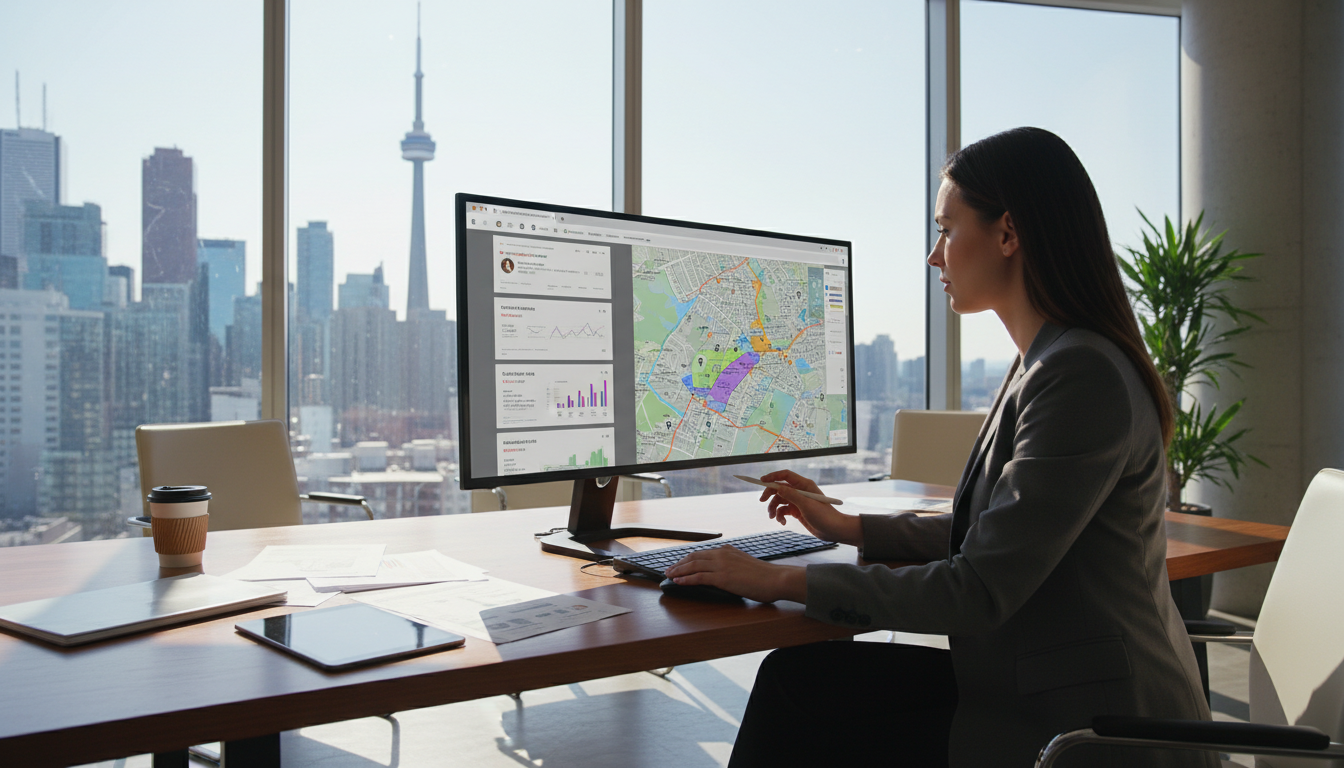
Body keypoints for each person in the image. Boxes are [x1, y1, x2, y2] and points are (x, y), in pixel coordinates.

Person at [664, 127, 1215, 768]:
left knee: (804, 708)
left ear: (1008, 233)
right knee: (798, 683)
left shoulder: (1078, 375)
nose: (934, 256)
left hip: (1087, 728)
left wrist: (779, 578)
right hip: (1037, 685)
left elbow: (977, 589)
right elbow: (994, 532)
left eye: (947, 230)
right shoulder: (1047, 360)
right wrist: (848, 526)